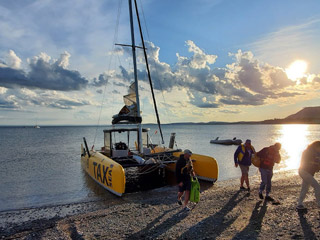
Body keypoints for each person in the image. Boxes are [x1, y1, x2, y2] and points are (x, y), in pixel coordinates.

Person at [296, 141, 320, 210]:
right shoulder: (308, 152)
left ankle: (299, 204)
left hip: (308, 173)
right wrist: (317, 165)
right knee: (317, 186)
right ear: (316, 146)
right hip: (304, 171)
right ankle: (319, 204)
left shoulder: (316, 153)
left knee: (305, 188)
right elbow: (309, 162)